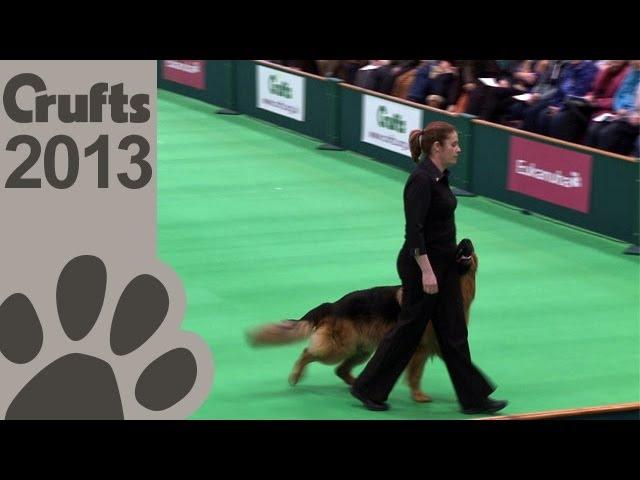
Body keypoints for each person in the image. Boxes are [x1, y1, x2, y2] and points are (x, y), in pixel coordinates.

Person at [349, 121, 507, 414]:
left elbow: (439, 228)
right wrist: (427, 271)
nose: (459, 149)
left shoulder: (439, 178)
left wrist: (456, 257)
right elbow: (414, 231)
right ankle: (367, 387)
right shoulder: (421, 180)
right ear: (437, 147)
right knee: (409, 330)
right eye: (454, 144)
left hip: (444, 266)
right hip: (422, 269)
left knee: (454, 332)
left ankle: (473, 398)